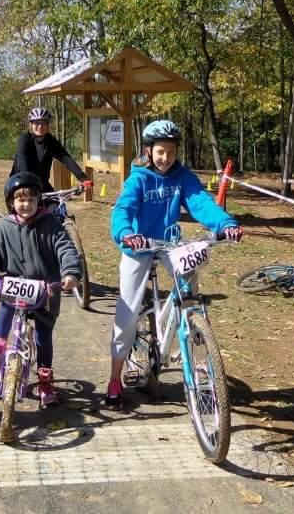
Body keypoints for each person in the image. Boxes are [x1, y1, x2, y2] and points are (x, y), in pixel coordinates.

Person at [103, 120, 244, 407]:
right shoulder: (139, 178)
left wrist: (226, 224)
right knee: (127, 313)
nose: (166, 158)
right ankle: (115, 377)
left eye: (171, 151)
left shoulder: (182, 176)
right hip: (138, 245)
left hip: (169, 243)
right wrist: (126, 233)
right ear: (149, 151)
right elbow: (124, 209)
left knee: (190, 274)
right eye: (160, 152)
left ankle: (193, 323)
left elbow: (200, 202)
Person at [0, 172, 82, 407]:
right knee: (6, 304)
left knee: (43, 336)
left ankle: (45, 380)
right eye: (20, 200)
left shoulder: (50, 223)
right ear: (11, 202)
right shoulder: (5, 227)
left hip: (45, 288)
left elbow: (65, 248)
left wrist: (70, 272)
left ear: (38, 200)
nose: (26, 204)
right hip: (16, 285)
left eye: (31, 199)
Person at [11, 107, 92, 195]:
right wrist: (27, 182)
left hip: (42, 184)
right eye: (37, 123)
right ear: (31, 124)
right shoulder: (25, 139)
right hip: (21, 183)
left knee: (55, 205)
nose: (40, 126)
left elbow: (66, 158)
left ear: (48, 125)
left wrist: (83, 178)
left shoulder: (50, 141)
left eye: (44, 123)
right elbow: (22, 161)